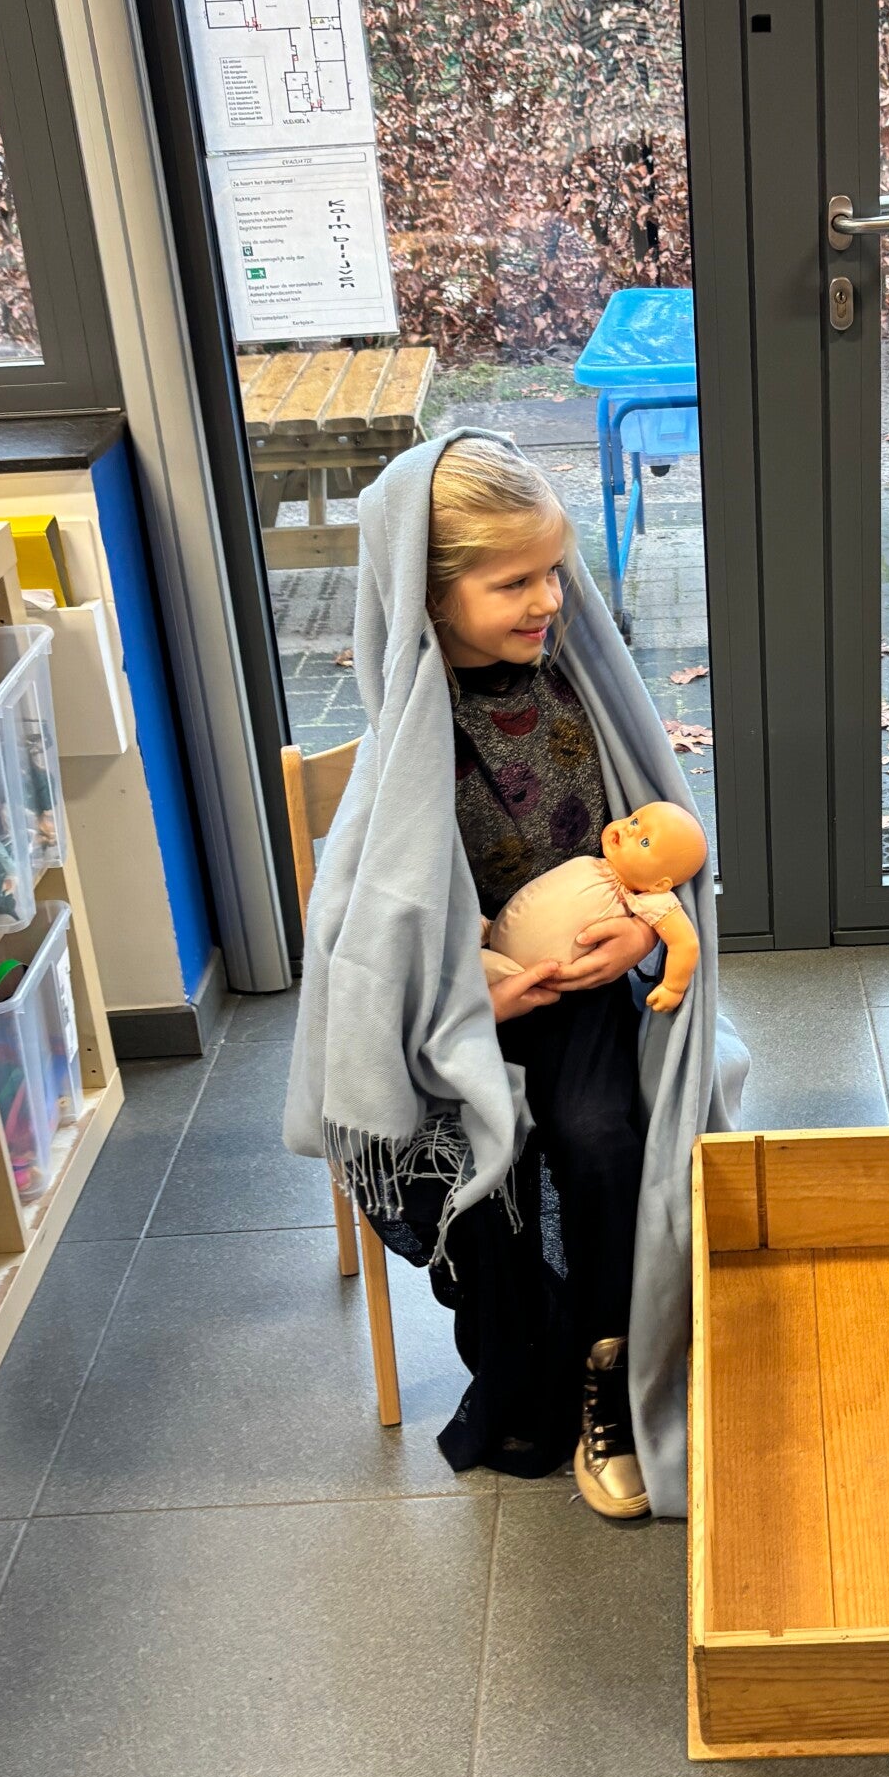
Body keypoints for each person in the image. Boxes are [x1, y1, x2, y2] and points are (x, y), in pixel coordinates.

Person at [285, 430, 745, 1522]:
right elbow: (367, 932)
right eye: (512, 583)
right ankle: (527, 1364)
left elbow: (666, 846)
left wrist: (642, 939)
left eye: (553, 571)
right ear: (429, 593)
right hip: (465, 1008)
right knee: (483, 1159)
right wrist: (468, 992)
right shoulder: (409, 737)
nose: (548, 600)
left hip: (588, 990)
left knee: (596, 1137)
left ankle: (611, 1367)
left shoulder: (582, 694)